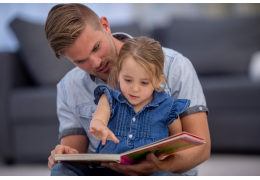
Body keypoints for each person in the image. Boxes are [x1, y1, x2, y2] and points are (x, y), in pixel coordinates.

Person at [45, 3, 211, 176]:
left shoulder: (175, 65)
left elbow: (201, 147)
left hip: (162, 172)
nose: (95, 63)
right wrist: (64, 155)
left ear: (105, 25)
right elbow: (75, 154)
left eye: (96, 48)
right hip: (106, 172)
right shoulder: (68, 86)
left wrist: (160, 166)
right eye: (80, 61)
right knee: (62, 170)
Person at [88, 37, 190, 159]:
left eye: (144, 83)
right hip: (110, 168)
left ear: (158, 81)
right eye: (128, 80)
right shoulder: (109, 99)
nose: (135, 89)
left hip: (152, 171)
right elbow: (98, 119)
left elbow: (175, 141)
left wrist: (165, 157)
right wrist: (100, 128)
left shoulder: (168, 107)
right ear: (118, 74)